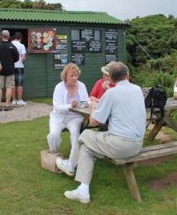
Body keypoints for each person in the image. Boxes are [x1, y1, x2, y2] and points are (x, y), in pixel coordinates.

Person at [56, 61, 146, 204]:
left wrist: (93, 108)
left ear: (110, 77)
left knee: (85, 135)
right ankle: (82, 189)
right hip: (138, 144)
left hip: (121, 145)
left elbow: (93, 122)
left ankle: (71, 166)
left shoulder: (111, 92)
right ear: (127, 75)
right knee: (87, 148)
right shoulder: (137, 89)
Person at [47, 63, 89, 171]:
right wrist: (71, 105)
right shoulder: (59, 87)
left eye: (76, 75)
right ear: (65, 76)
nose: (74, 78)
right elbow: (57, 107)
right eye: (71, 75)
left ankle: (74, 161)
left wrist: (81, 103)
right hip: (58, 117)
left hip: (75, 117)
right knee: (53, 135)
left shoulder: (82, 85)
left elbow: (87, 101)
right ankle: (54, 153)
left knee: (75, 134)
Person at [0, 30, 20, 111]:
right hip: (10, 70)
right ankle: (7, 105)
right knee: (9, 87)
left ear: (1, 36)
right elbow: (17, 58)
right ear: (9, 37)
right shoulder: (12, 46)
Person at [11, 31, 27, 106]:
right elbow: (23, 58)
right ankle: (20, 100)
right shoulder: (22, 45)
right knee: (19, 84)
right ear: (20, 38)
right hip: (20, 66)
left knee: (12, 84)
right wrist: (22, 62)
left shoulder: (10, 44)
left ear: (14, 37)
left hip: (11, 66)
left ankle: (14, 100)